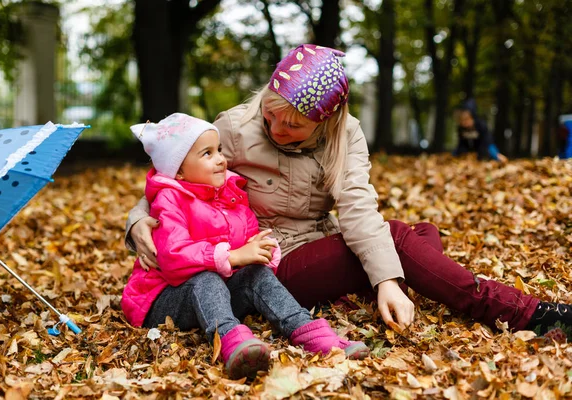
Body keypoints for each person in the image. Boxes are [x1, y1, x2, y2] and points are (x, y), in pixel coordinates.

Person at [126, 44, 572, 342]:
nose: (278, 129)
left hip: (318, 243)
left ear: (327, 120)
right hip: (262, 264)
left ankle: (382, 284)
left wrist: (386, 280)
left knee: (419, 235)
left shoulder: (346, 136)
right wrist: (137, 222)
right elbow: (171, 178)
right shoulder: (234, 127)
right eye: (272, 115)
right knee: (400, 240)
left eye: (294, 125)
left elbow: (358, 206)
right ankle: (522, 312)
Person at [121, 113, 369, 380]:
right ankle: (233, 342)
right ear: (178, 169)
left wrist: (260, 249)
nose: (220, 159)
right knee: (205, 278)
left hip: (214, 293)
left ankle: (310, 333)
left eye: (219, 150)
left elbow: (251, 236)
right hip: (163, 300)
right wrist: (234, 255)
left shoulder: (231, 194)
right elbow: (173, 259)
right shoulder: (169, 200)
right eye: (207, 154)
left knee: (255, 274)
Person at [453, 98, 508, 163]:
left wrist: (494, 155)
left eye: (467, 119)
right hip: (471, 149)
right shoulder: (461, 128)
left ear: (473, 118)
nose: (465, 122)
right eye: (462, 120)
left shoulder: (481, 125)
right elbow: (461, 144)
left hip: (486, 146)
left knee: (494, 154)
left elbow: (487, 142)